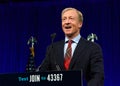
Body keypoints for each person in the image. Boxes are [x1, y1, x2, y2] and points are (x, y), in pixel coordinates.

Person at [39, 7, 104, 86]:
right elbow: (42, 74)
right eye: (64, 19)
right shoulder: (52, 48)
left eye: (71, 18)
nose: (67, 22)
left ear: (80, 23)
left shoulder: (92, 48)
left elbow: (97, 77)